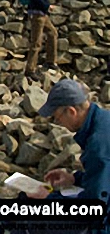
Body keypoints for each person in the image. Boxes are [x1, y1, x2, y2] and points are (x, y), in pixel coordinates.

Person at [22, 79, 110, 232]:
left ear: (71, 111)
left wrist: (49, 199)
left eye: (58, 117)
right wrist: (74, 179)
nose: (59, 122)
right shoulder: (104, 121)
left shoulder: (98, 144)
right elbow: (104, 176)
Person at [24, 0, 60, 81]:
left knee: (52, 33)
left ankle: (50, 61)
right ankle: (30, 70)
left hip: (42, 14)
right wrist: (47, 6)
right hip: (37, 14)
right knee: (36, 42)